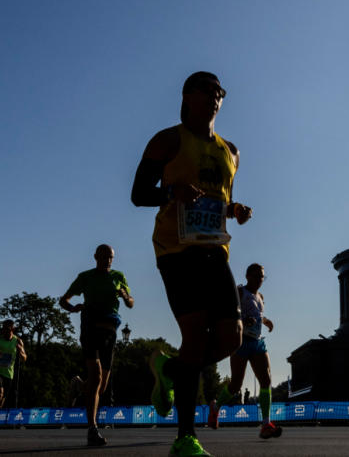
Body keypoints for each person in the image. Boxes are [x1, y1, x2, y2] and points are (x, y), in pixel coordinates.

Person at [131, 71, 255, 457]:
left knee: (233, 338)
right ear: (187, 96)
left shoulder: (230, 151)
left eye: (220, 93)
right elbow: (137, 195)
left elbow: (218, 197)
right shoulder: (167, 140)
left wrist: (234, 209)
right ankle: (186, 437)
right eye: (207, 91)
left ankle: (170, 370)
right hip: (176, 250)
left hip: (216, 250)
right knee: (196, 338)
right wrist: (171, 191)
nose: (215, 99)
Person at [60, 243, 135, 446]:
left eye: (110, 257)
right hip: (90, 327)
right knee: (97, 375)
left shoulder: (118, 276)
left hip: (110, 332)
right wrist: (73, 308)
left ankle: (79, 385)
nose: (107, 260)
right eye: (103, 256)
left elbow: (130, 302)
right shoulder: (85, 277)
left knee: (99, 387)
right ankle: (92, 429)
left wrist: (126, 296)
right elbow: (63, 300)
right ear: (95, 256)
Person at [207, 263, 281, 438]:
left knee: (266, 380)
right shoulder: (240, 292)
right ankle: (215, 408)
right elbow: (229, 312)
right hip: (240, 341)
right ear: (247, 276)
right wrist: (242, 320)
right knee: (236, 385)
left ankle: (266, 424)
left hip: (257, 342)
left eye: (262, 276)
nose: (259, 280)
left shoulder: (260, 296)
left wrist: (266, 321)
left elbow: (257, 315)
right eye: (256, 276)